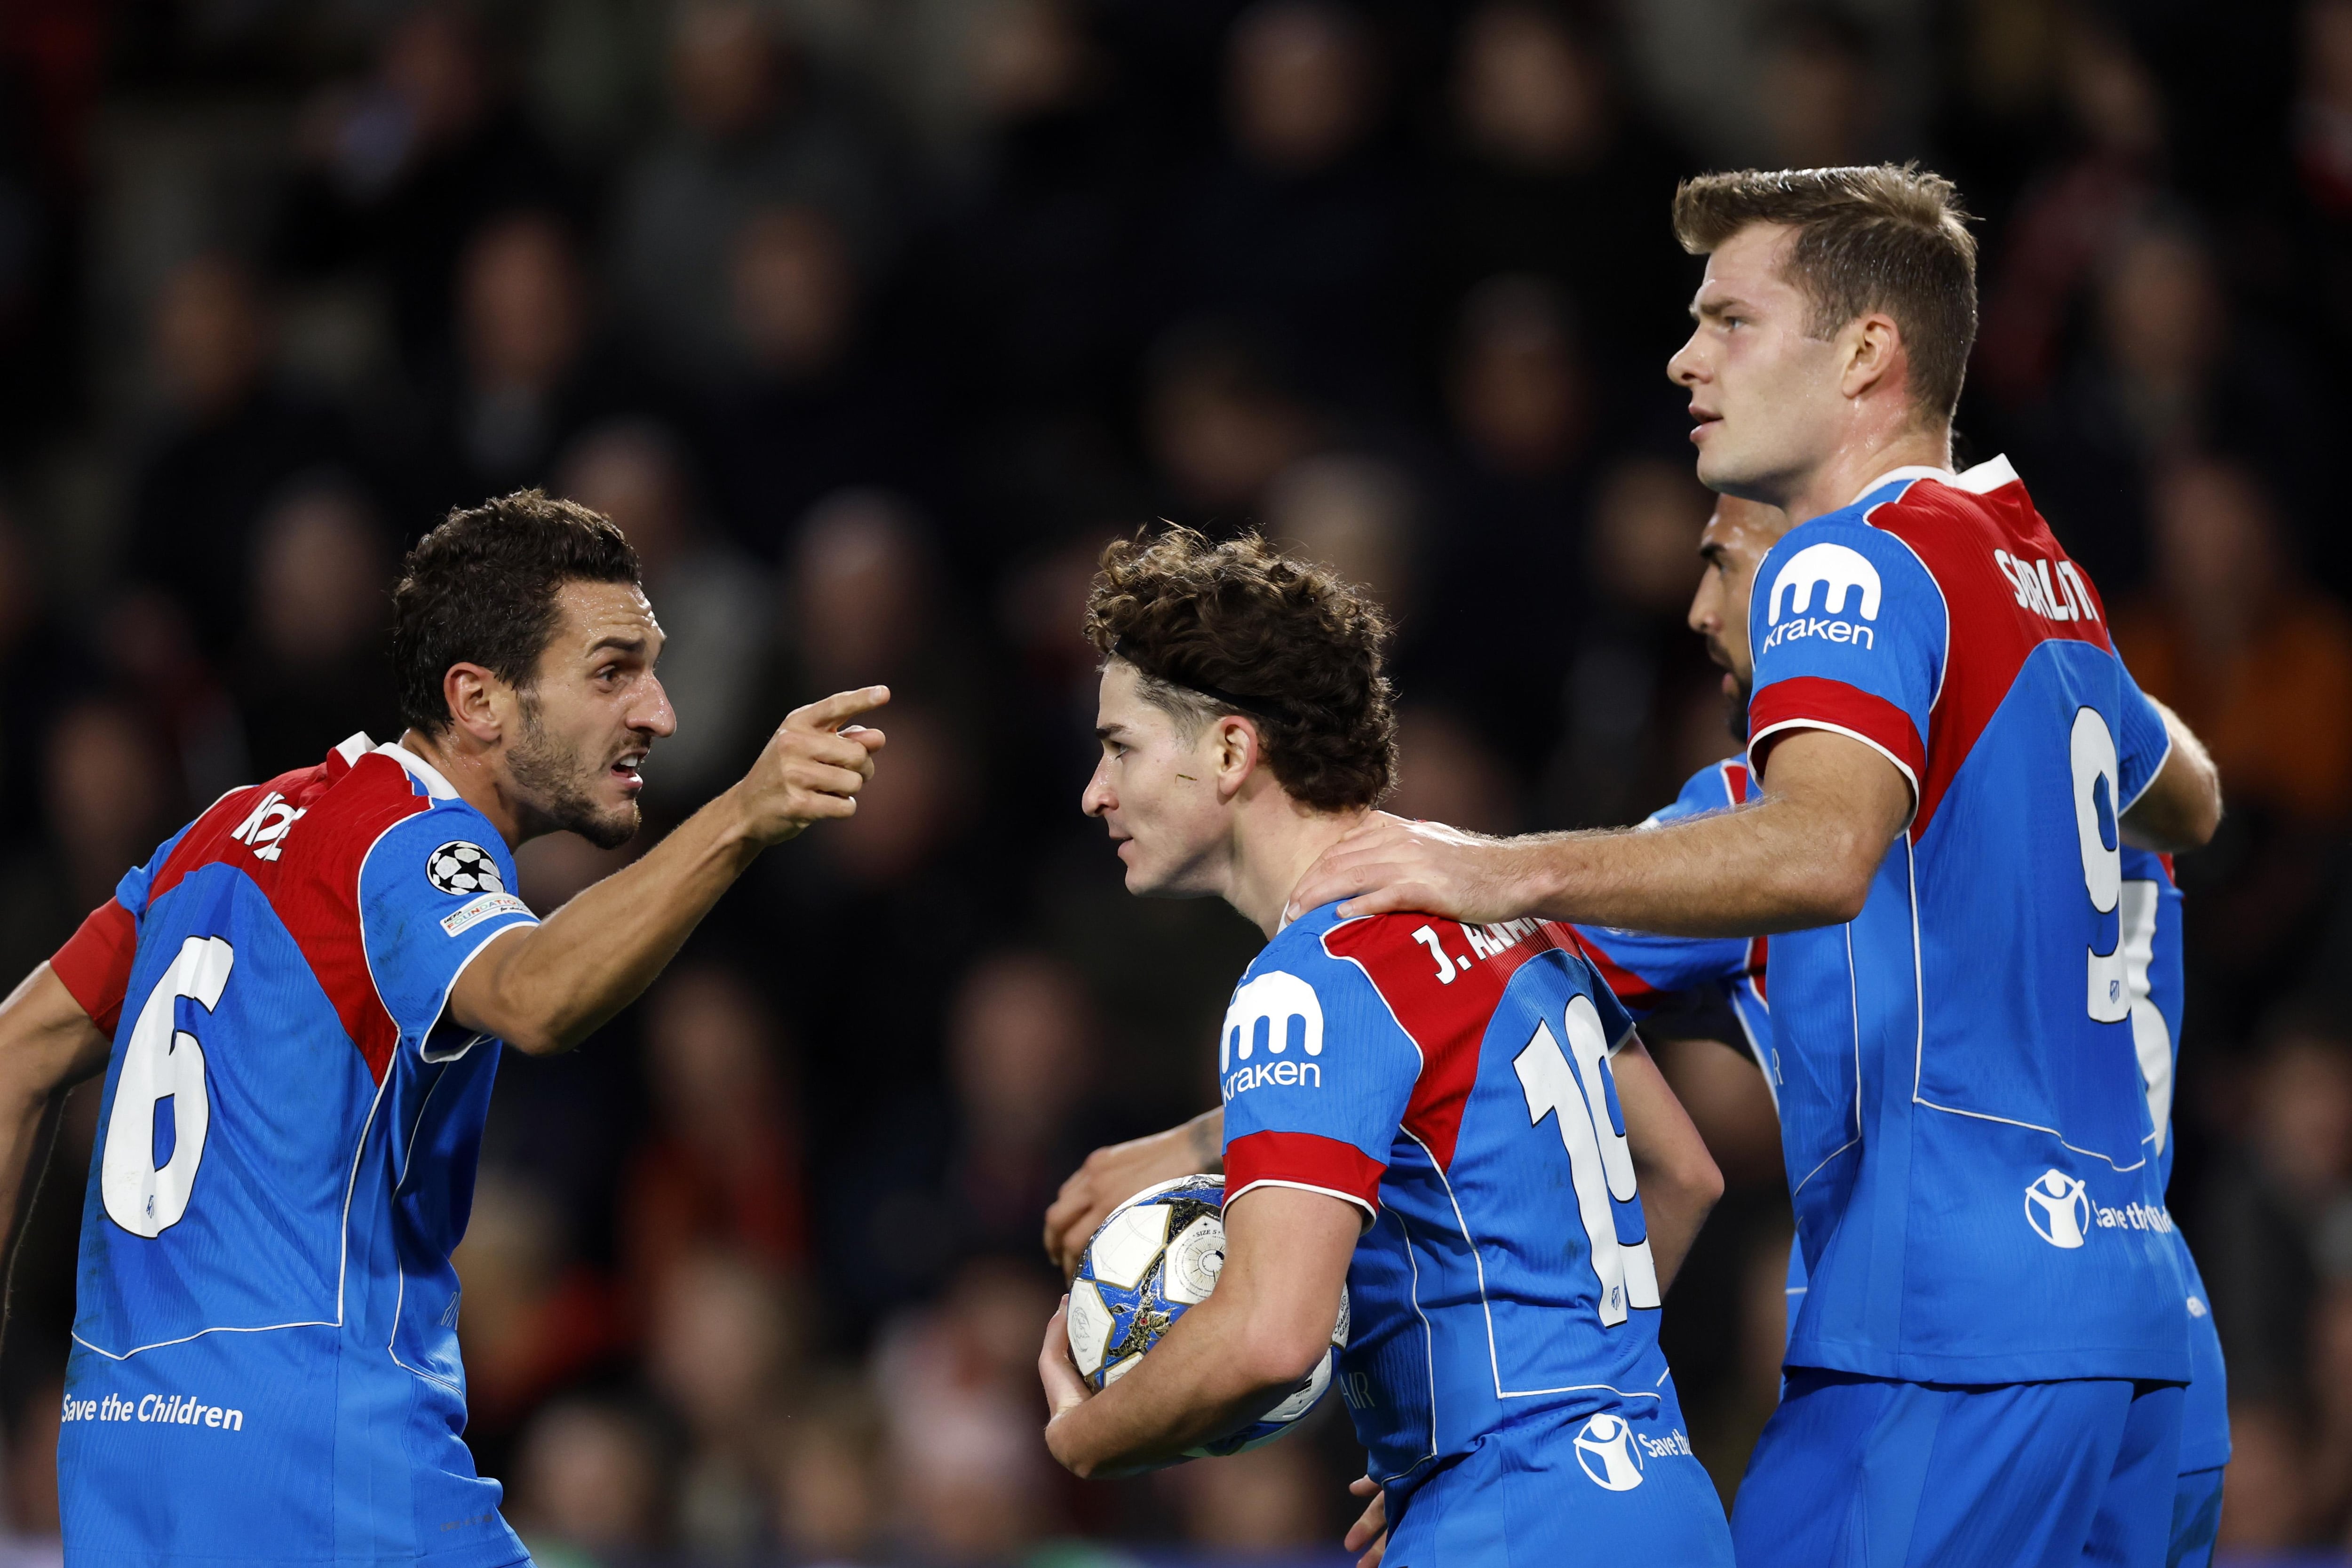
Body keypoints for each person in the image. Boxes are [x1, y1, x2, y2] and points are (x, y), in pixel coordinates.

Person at [1278, 165, 2225, 1568]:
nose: (1685, 357)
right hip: (2140, 1326)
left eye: (1729, 319)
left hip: (1947, 1329)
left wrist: (1503, 868)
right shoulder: (2035, 571)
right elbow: (2189, 801)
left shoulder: (1853, 560)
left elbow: (1820, 851)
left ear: (1864, 353)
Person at [0, 490, 887, 1565]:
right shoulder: (411, 843)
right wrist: (741, 815)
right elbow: (534, 994)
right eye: (611, 672)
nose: (658, 711)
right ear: (478, 699)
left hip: (123, 1461)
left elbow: (15, 1051)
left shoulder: (217, 834)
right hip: (321, 1462)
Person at [1032, 528, 1734, 1565]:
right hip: (1662, 1498)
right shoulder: (1491, 897)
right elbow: (1681, 1172)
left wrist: (1081, 1436)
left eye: (1121, 746)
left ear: (1230, 751)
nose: (1095, 790)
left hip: (1513, 1522)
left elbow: (1269, 1336)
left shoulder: (1310, 979)